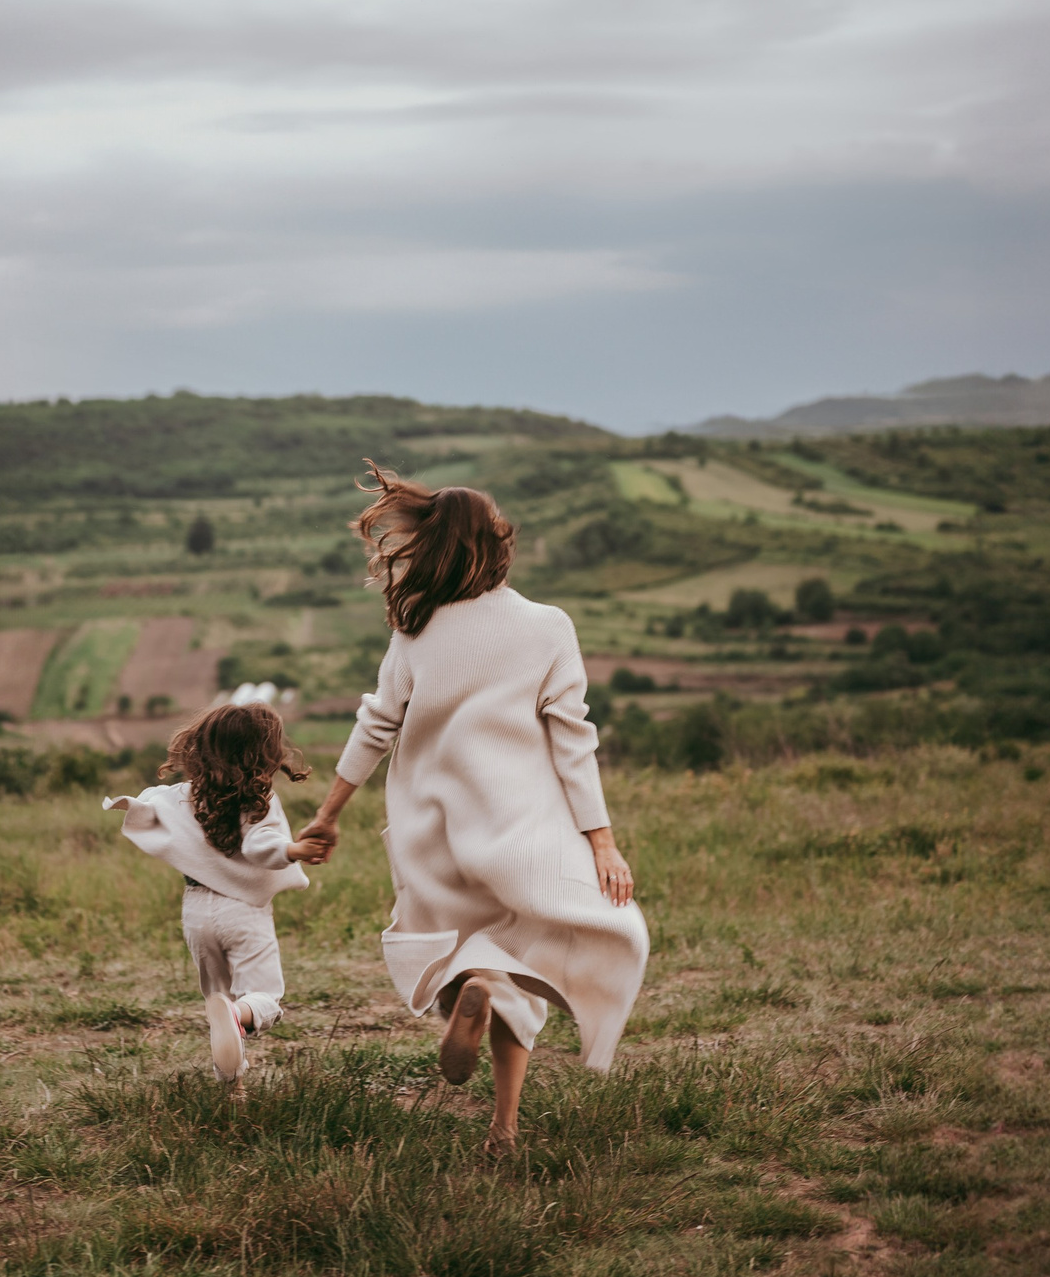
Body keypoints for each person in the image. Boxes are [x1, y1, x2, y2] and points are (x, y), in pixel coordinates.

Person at [295, 464, 648, 1155]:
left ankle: (470, 994)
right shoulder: (547, 626)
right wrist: (602, 841)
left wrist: (329, 813)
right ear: (497, 545)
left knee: (460, 950)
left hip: (434, 827)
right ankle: (504, 1126)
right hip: (524, 826)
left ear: (433, 548)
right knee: (530, 955)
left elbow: (376, 725)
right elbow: (573, 739)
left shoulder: (415, 630)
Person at [103, 703, 325, 1081]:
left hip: (195, 913)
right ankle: (239, 1017)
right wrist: (293, 850)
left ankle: (230, 1082)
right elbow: (260, 845)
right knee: (263, 999)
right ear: (264, 753)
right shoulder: (258, 799)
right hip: (242, 912)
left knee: (216, 1000)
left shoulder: (182, 795)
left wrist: (127, 804)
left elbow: (148, 807)